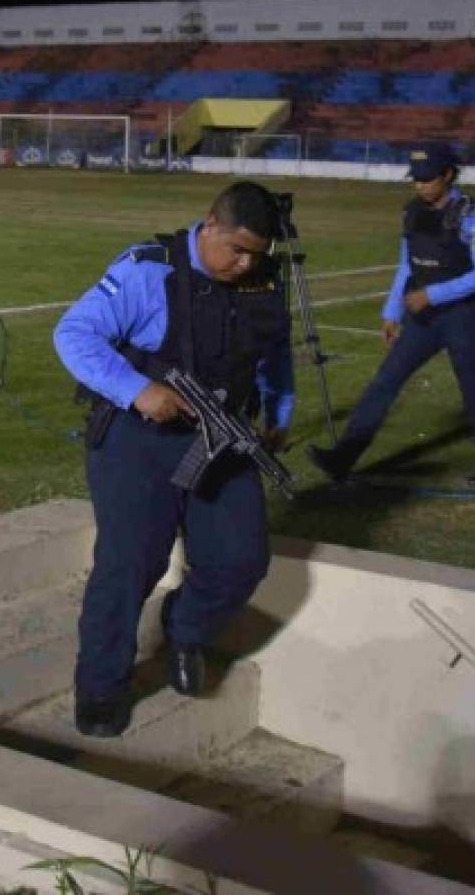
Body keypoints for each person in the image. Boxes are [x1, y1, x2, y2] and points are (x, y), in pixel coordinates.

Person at [53, 181, 294, 737]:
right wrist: (137, 389)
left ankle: (184, 628)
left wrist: (279, 411)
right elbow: (74, 334)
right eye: (236, 248)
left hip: (223, 435)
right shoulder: (149, 270)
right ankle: (101, 686)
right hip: (139, 436)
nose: (245, 263)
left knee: (241, 558)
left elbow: (272, 350)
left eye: (257, 254)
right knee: (131, 563)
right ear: (209, 226)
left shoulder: (261, 279)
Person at [307, 142, 475, 486]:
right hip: (423, 320)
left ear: (448, 174)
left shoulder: (472, 215)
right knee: (385, 382)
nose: (419, 186)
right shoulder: (412, 212)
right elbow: (407, 265)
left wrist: (431, 295)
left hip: (465, 318)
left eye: (427, 179)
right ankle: (342, 458)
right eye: (415, 179)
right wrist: (392, 311)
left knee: (474, 391)